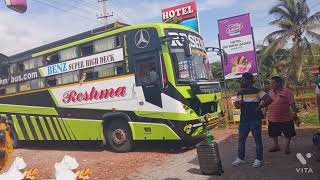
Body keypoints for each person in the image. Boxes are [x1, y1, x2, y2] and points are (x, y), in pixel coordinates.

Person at [232, 73, 273, 168]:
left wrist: (260, 106)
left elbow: (269, 99)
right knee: (241, 140)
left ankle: (259, 159)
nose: (241, 81)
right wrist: (238, 105)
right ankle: (240, 158)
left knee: (257, 140)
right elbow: (237, 105)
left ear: (249, 81)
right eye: (241, 80)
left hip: (255, 120)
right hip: (243, 120)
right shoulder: (240, 92)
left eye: (243, 80)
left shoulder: (257, 91)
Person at [267, 76, 299, 154]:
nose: (271, 84)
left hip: (286, 118)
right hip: (273, 118)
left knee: (288, 133)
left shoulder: (287, 92)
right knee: (273, 133)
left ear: (279, 83)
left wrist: (295, 114)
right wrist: (265, 111)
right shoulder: (270, 92)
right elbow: (267, 101)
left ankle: (287, 147)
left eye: (273, 83)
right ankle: (276, 146)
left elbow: (292, 103)